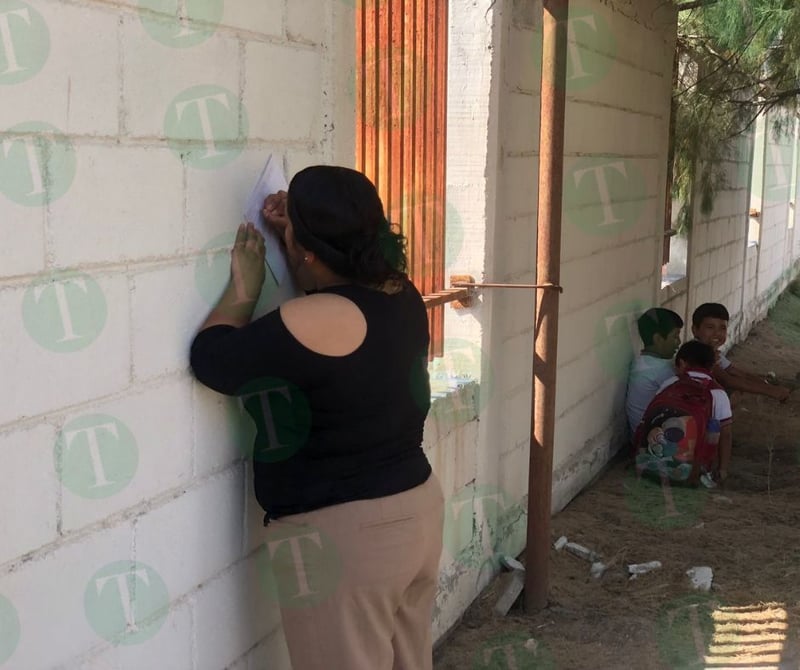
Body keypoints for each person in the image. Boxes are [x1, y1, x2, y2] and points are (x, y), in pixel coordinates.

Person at [190, 165, 444, 670]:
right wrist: (306, 242)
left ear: (306, 249)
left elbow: (213, 359)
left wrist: (245, 287)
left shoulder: (311, 321)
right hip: (416, 514)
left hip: (344, 540)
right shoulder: (402, 293)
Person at [634, 340, 733, 486]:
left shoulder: (670, 382)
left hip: (649, 466)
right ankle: (701, 468)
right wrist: (723, 470)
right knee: (715, 426)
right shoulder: (717, 392)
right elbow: (726, 434)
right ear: (712, 367)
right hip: (690, 471)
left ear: (682, 363)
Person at [691, 303, 791, 403]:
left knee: (735, 389)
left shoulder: (712, 352)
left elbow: (736, 372)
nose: (717, 333)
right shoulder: (696, 351)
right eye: (710, 327)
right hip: (686, 398)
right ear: (695, 330)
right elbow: (727, 380)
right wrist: (771, 391)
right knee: (731, 393)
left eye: (722, 328)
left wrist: (767, 385)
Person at [625, 307, 683, 434]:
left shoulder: (640, 361)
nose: (679, 342)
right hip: (651, 438)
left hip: (638, 433)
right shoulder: (662, 369)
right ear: (658, 339)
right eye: (675, 336)